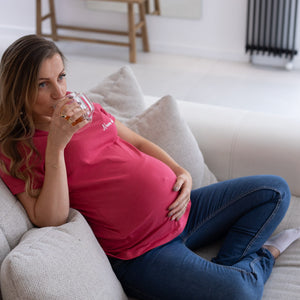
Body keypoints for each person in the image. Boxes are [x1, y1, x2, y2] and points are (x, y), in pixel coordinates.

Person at [0, 35, 299, 300]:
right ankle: (264, 256)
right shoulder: (14, 149)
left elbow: (138, 143)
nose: (59, 93)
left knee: (275, 191)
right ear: (18, 91)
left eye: (61, 77)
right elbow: (51, 218)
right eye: (43, 84)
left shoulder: (85, 108)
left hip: (183, 210)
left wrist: (180, 171)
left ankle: (223, 268)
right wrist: (57, 145)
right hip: (143, 253)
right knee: (239, 293)